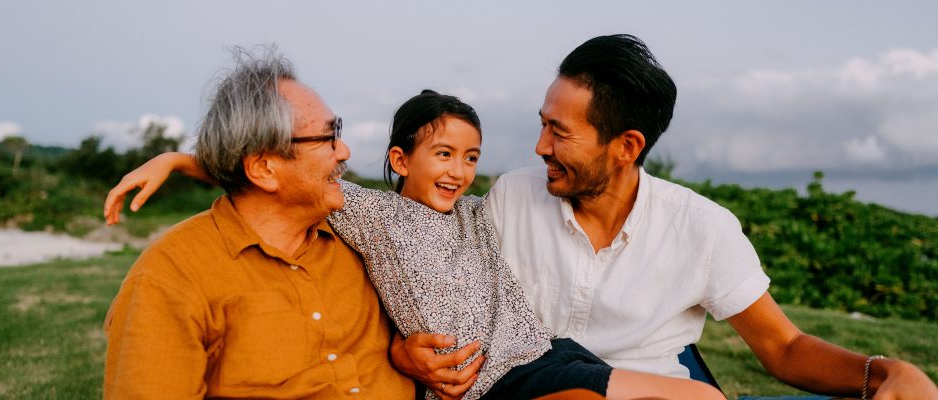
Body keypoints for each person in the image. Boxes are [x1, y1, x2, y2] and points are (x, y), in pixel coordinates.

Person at [389, 35, 938, 399]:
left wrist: (885, 370)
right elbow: (422, 262)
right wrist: (398, 349)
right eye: (542, 124)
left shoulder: (702, 228)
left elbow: (785, 348)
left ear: (626, 146)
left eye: (559, 132)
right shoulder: (510, 199)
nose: (539, 146)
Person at [105, 90, 725, 400]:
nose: (459, 170)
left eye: (471, 157)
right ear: (400, 159)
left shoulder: (479, 212)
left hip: (544, 349)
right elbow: (278, 174)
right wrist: (181, 160)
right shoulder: (374, 214)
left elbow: (582, 183)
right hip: (492, 384)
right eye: (444, 154)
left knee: (701, 396)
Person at [102, 48, 415, 399]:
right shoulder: (171, 276)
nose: (343, 151)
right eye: (327, 137)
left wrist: (405, 354)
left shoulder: (358, 234)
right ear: (264, 169)